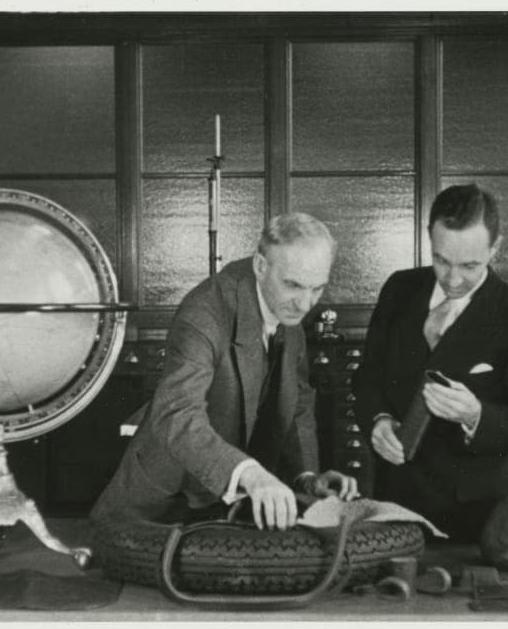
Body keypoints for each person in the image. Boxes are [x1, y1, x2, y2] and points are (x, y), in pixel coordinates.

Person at [91, 213, 359, 532]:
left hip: (230, 507)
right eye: (293, 285)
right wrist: (252, 474)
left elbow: (297, 403)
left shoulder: (290, 313)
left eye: (317, 289)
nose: (305, 304)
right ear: (261, 266)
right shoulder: (203, 314)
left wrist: (307, 479)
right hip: (162, 507)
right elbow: (176, 414)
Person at [352, 184, 508, 542]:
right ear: (429, 238)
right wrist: (379, 420)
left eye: (469, 265)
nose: (452, 279)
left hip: (476, 517)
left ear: (495, 248)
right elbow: (368, 380)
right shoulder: (398, 289)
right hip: (395, 501)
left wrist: (476, 415)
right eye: (441, 260)